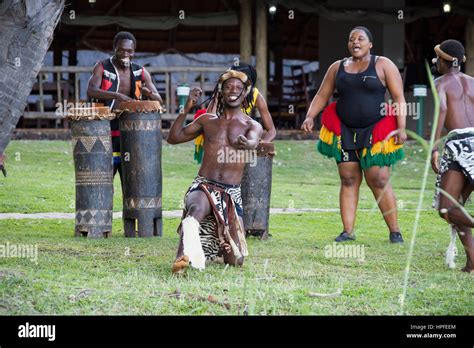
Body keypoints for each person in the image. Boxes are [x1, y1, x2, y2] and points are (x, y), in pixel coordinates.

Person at [301, 26, 407, 243]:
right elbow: (322, 94)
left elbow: (399, 98)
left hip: (376, 129)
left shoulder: (383, 64)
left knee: (378, 178)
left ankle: (395, 231)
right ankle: (347, 231)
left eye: (360, 39)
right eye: (351, 39)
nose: (355, 42)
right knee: (348, 178)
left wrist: (402, 127)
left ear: (370, 44)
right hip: (345, 129)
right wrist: (310, 116)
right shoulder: (336, 67)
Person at [167, 70, 263, 273]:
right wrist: (187, 108)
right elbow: (173, 138)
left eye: (238, 88)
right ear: (220, 92)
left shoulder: (251, 125)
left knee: (235, 261)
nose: (233, 91)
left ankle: (214, 243)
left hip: (230, 193)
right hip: (204, 184)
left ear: (245, 93)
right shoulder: (207, 121)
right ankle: (181, 259)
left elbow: (254, 141)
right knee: (196, 210)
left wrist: (248, 144)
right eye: (228, 87)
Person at [87, 31, 163, 183]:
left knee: (131, 174)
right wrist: (118, 96)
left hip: (131, 127)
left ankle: (131, 206)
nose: (125, 54)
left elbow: (158, 100)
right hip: (105, 125)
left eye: (129, 51)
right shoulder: (102, 67)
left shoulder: (140, 71)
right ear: (114, 48)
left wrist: (149, 93)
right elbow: (91, 90)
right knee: (103, 173)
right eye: (121, 50)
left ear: (134, 52)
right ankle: (102, 206)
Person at [431, 39, 474, 273]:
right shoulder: (473, 82)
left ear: (445, 61)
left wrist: (434, 149)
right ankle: (472, 263)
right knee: (457, 208)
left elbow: (443, 110)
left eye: (437, 58)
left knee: (447, 208)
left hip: (459, 146)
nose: (435, 61)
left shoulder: (440, 83)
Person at [193, 62, 276, 163]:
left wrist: (260, 145)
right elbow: (209, 125)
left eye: (239, 83)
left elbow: (271, 130)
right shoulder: (223, 93)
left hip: (240, 139)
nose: (234, 88)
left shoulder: (255, 95)